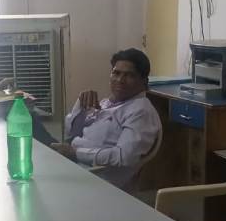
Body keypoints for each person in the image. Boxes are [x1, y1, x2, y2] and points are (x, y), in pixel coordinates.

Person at [46, 47, 160, 189]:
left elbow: (123, 156)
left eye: (129, 75)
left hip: (93, 177)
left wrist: (76, 153)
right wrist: (80, 106)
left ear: (144, 81)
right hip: (74, 163)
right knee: (33, 131)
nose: (120, 80)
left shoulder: (141, 111)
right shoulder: (108, 103)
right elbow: (72, 133)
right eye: (116, 73)